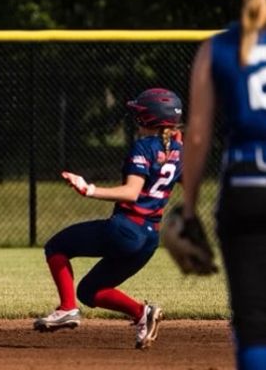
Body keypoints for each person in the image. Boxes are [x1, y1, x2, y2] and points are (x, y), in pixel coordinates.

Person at [182, 0, 266, 370]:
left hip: (246, 191)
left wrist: (190, 210)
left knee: (255, 326)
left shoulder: (218, 48)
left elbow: (196, 136)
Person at [34, 88, 183, 350]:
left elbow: (131, 193)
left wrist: (88, 189)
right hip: (149, 239)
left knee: (56, 247)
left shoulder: (143, 147)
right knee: (90, 291)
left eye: (138, 114)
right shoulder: (180, 149)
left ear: (145, 119)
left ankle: (67, 309)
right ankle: (142, 313)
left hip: (126, 230)